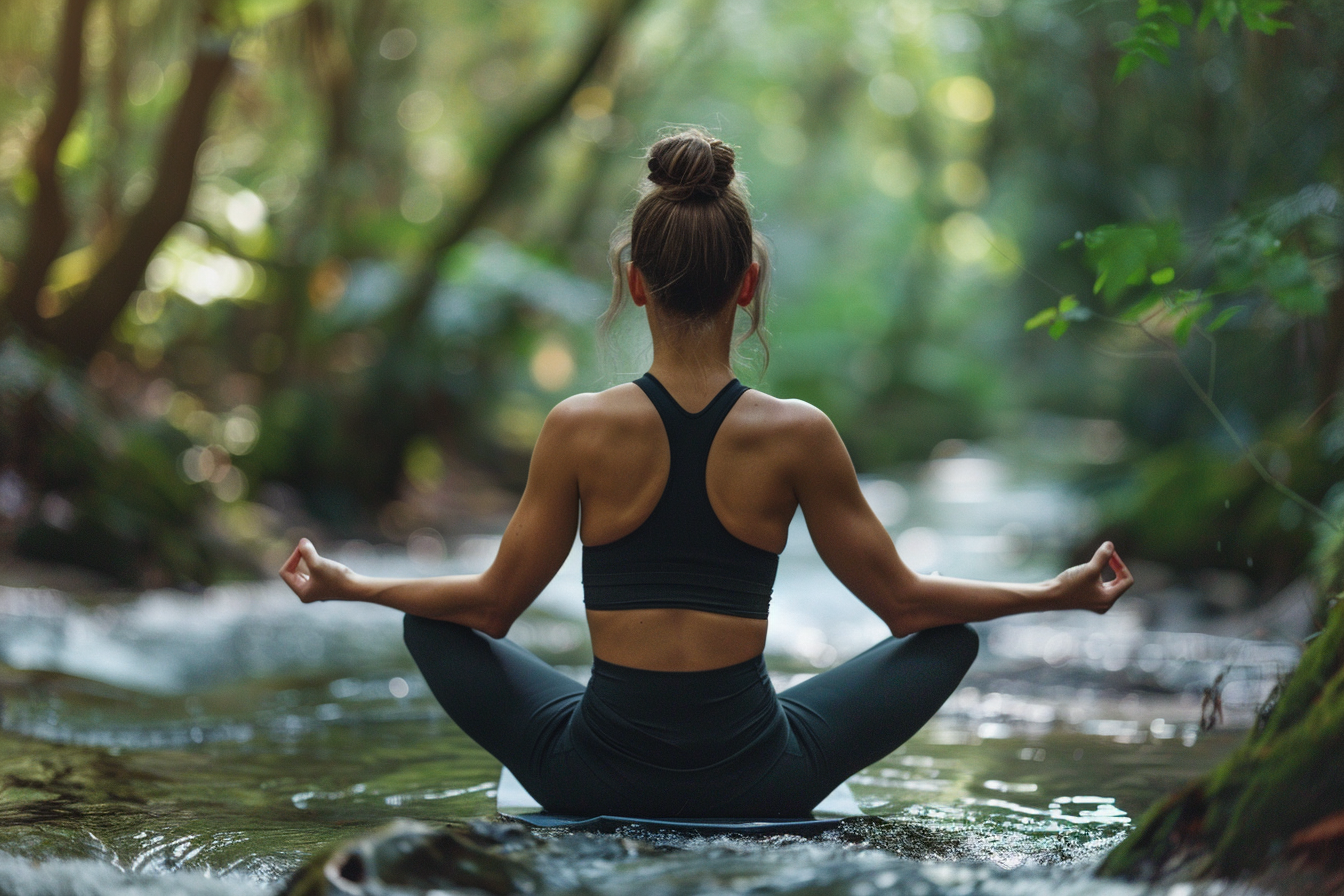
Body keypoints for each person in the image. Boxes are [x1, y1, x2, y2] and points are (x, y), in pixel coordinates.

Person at [279, 128, 1133, 819]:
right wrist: (1055, 593)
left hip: (591, 776)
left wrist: (353, 584)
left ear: (636, 284)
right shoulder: (800, 434)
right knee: (948, 636)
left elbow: (491, 608)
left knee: (431, 623)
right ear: (749, 284)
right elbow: (908, 607)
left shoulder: (576, 427)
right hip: (759, 779)